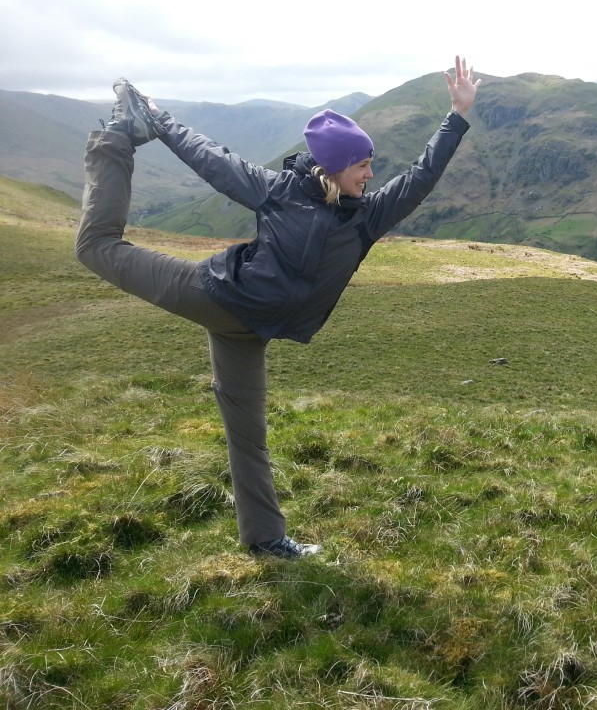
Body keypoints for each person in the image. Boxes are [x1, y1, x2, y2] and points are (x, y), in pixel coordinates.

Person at [76, 57, 481, 559]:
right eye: (362, 164)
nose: (371, 174)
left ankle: (266, 541)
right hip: (213, 296)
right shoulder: (278, 193)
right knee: (95, 247)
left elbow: (422, 176)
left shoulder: (366, 217)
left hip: (249, 332)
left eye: (371, 163)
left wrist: (457, 115)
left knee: (249, 435)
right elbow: (210, 158)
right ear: (334, 166)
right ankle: (119, 135)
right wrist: (157, 121)